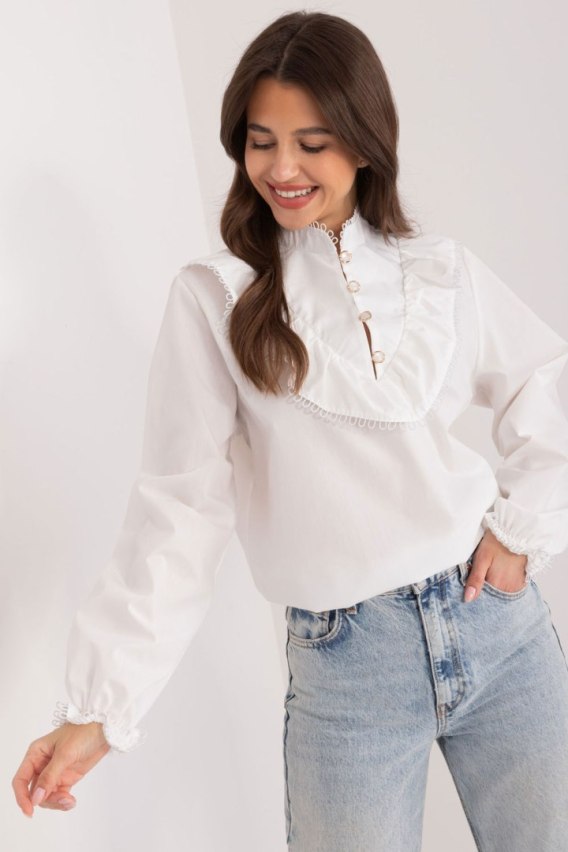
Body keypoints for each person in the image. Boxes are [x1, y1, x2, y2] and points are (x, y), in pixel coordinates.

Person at [12, 9, 568, 849]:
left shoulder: (439, 272)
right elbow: (179, 510)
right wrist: (98, 708)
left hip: (498, 628)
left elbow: (545, 379)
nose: (281, 168)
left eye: (312, 142)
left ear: (365, 141)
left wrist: (520, 528)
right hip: (349, 668)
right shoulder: (215, 298)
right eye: (260, 141)